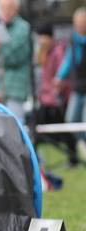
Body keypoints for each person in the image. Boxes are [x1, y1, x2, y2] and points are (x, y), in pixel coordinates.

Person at [36, 22, 77, 167]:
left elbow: (62, 76)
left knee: (66, 131)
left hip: (57, 99)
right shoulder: (43, 52)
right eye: (39, 37)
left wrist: (56, 92)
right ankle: (36, 160)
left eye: (43, 37)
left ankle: (73, 159)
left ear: (50, 37)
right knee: (37, 129)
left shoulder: (58, 52)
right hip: (46, 98)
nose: (41, 40)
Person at [55, 8, 86, 148]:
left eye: (82, 23)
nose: (79, 26)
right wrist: (59, 77)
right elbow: (68, 60)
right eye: (77, 23)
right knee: (71, 120)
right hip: (77, 87)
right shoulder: (73, 40)